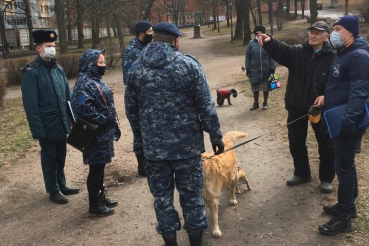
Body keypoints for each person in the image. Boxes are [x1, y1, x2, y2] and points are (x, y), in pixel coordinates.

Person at [125, 22, 224, 246]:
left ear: (153, 40)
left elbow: (131, 112)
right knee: (192, 199)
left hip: (154, 151)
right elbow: (206, 108)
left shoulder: (136, 69)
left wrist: (140, 144)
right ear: (176, 41)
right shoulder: (188, 66)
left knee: (162, 200)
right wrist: (216, 138)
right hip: (186, 150)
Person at [258, 21, 336, 193]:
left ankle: (326, 178)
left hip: (319, 109)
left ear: (327, 36)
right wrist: (269, 41)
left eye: (318, 32)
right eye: (311, 32)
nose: (313, 35)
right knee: (296, 142)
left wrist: (326, 97)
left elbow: (338, 84)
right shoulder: (298, 52)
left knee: (325, 144)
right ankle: (302, 173)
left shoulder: (333, 57)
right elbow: (282, 50)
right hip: (296, 107)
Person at [319, 16, 369, 236]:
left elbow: (360, 91)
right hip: (340, 117)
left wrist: (348, 121)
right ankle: (348, 206)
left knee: (344, 167)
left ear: (350, 31)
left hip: (347, 120)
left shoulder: (358, 56)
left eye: (338, 29)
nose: (334, 33)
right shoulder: (345, 53)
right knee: (346, 165)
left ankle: (343, 219)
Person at [21, 30, 80, 204]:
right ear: (39, 48)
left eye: (53, 46)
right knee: (49, 158)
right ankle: (53, 190)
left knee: (61, 155)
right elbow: (31, 107)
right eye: (48, 46)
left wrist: (72, 120)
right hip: (47, 125)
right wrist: (38, 130)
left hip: (61, 122)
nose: (52, 49)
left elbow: (68, 97)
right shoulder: (31, 73)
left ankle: (62, 185)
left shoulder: (58, 69)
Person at [72, 50, 121, 216]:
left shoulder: (95, 80)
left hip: (103, 133)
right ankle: (94, 205)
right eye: (100, 62)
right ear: (90, 64)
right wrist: (103, 119)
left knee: (100, 166)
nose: (104, 65)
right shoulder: (84, 83)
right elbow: (81, 108)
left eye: (104, 62)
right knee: (96, 168)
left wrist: (113, 124)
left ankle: (101, 196)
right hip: (94, 135)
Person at [122, 20, 153, 177]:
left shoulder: (149, 47)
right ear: (141, 34)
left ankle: (151, 161)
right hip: (137, 101)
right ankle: (142, 165)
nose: (151, 34)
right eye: (149, 31)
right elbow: (128, 79)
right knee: (139, 133)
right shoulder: (131, 52)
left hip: (150, 99)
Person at [245, 25, 276, 110]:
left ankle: (265, 102)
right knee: (255, 87)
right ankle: (256, 103)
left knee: (265, 87)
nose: (258, 35)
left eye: (260, 33)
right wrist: (247, 67)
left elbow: (271, 56)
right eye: (257, 33)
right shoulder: (251, 43)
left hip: (265, 69)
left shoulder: (267, 43)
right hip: (254, 69)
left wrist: (272, 68)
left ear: (263, 34)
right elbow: (248, 56)